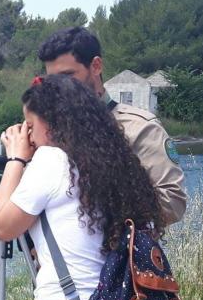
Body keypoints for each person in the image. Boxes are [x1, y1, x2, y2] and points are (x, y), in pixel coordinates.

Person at [0, 74, 162, 300]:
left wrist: (15, 158)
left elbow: (3, 226)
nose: (29, 135)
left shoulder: (51, 159)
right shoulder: (122, 165)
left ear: (52, 127)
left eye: (30, 125)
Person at [38, 26, 186, 226]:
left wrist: (95, 199)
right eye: (52, 80)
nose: (59, 87)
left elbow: (173, 204)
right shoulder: (48, 130)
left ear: (96, 66)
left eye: (68, 75)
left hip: (118, 253)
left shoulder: (140, 128)